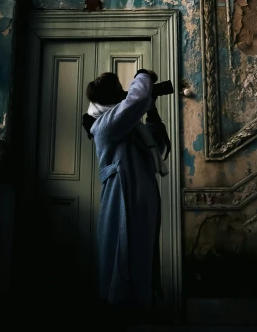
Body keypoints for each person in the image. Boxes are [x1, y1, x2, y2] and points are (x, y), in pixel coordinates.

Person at [84, 69, 170, 327]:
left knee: (140, 265)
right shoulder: (106, 126)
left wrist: (152, 110)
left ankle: (139, 314)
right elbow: (137, 99)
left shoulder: (131, 126)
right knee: (122, 265)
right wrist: (143, 75)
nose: (125, 93)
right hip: (122, 203)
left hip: (141, 204)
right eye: (120, 90)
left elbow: (162, 146)